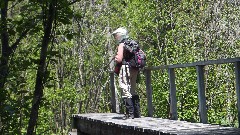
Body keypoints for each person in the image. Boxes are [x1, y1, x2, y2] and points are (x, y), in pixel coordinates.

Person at [112, 27, 141, 120]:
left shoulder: (122, 44)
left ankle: (130, 114)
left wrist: (116, 57)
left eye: (116, 36)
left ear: (120, 35)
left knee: (125, 88)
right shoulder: (133, 43)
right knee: (132, 89)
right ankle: (137, 113)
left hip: (125, 68)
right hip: (135, 68)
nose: (115, 37)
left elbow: (119, 59)